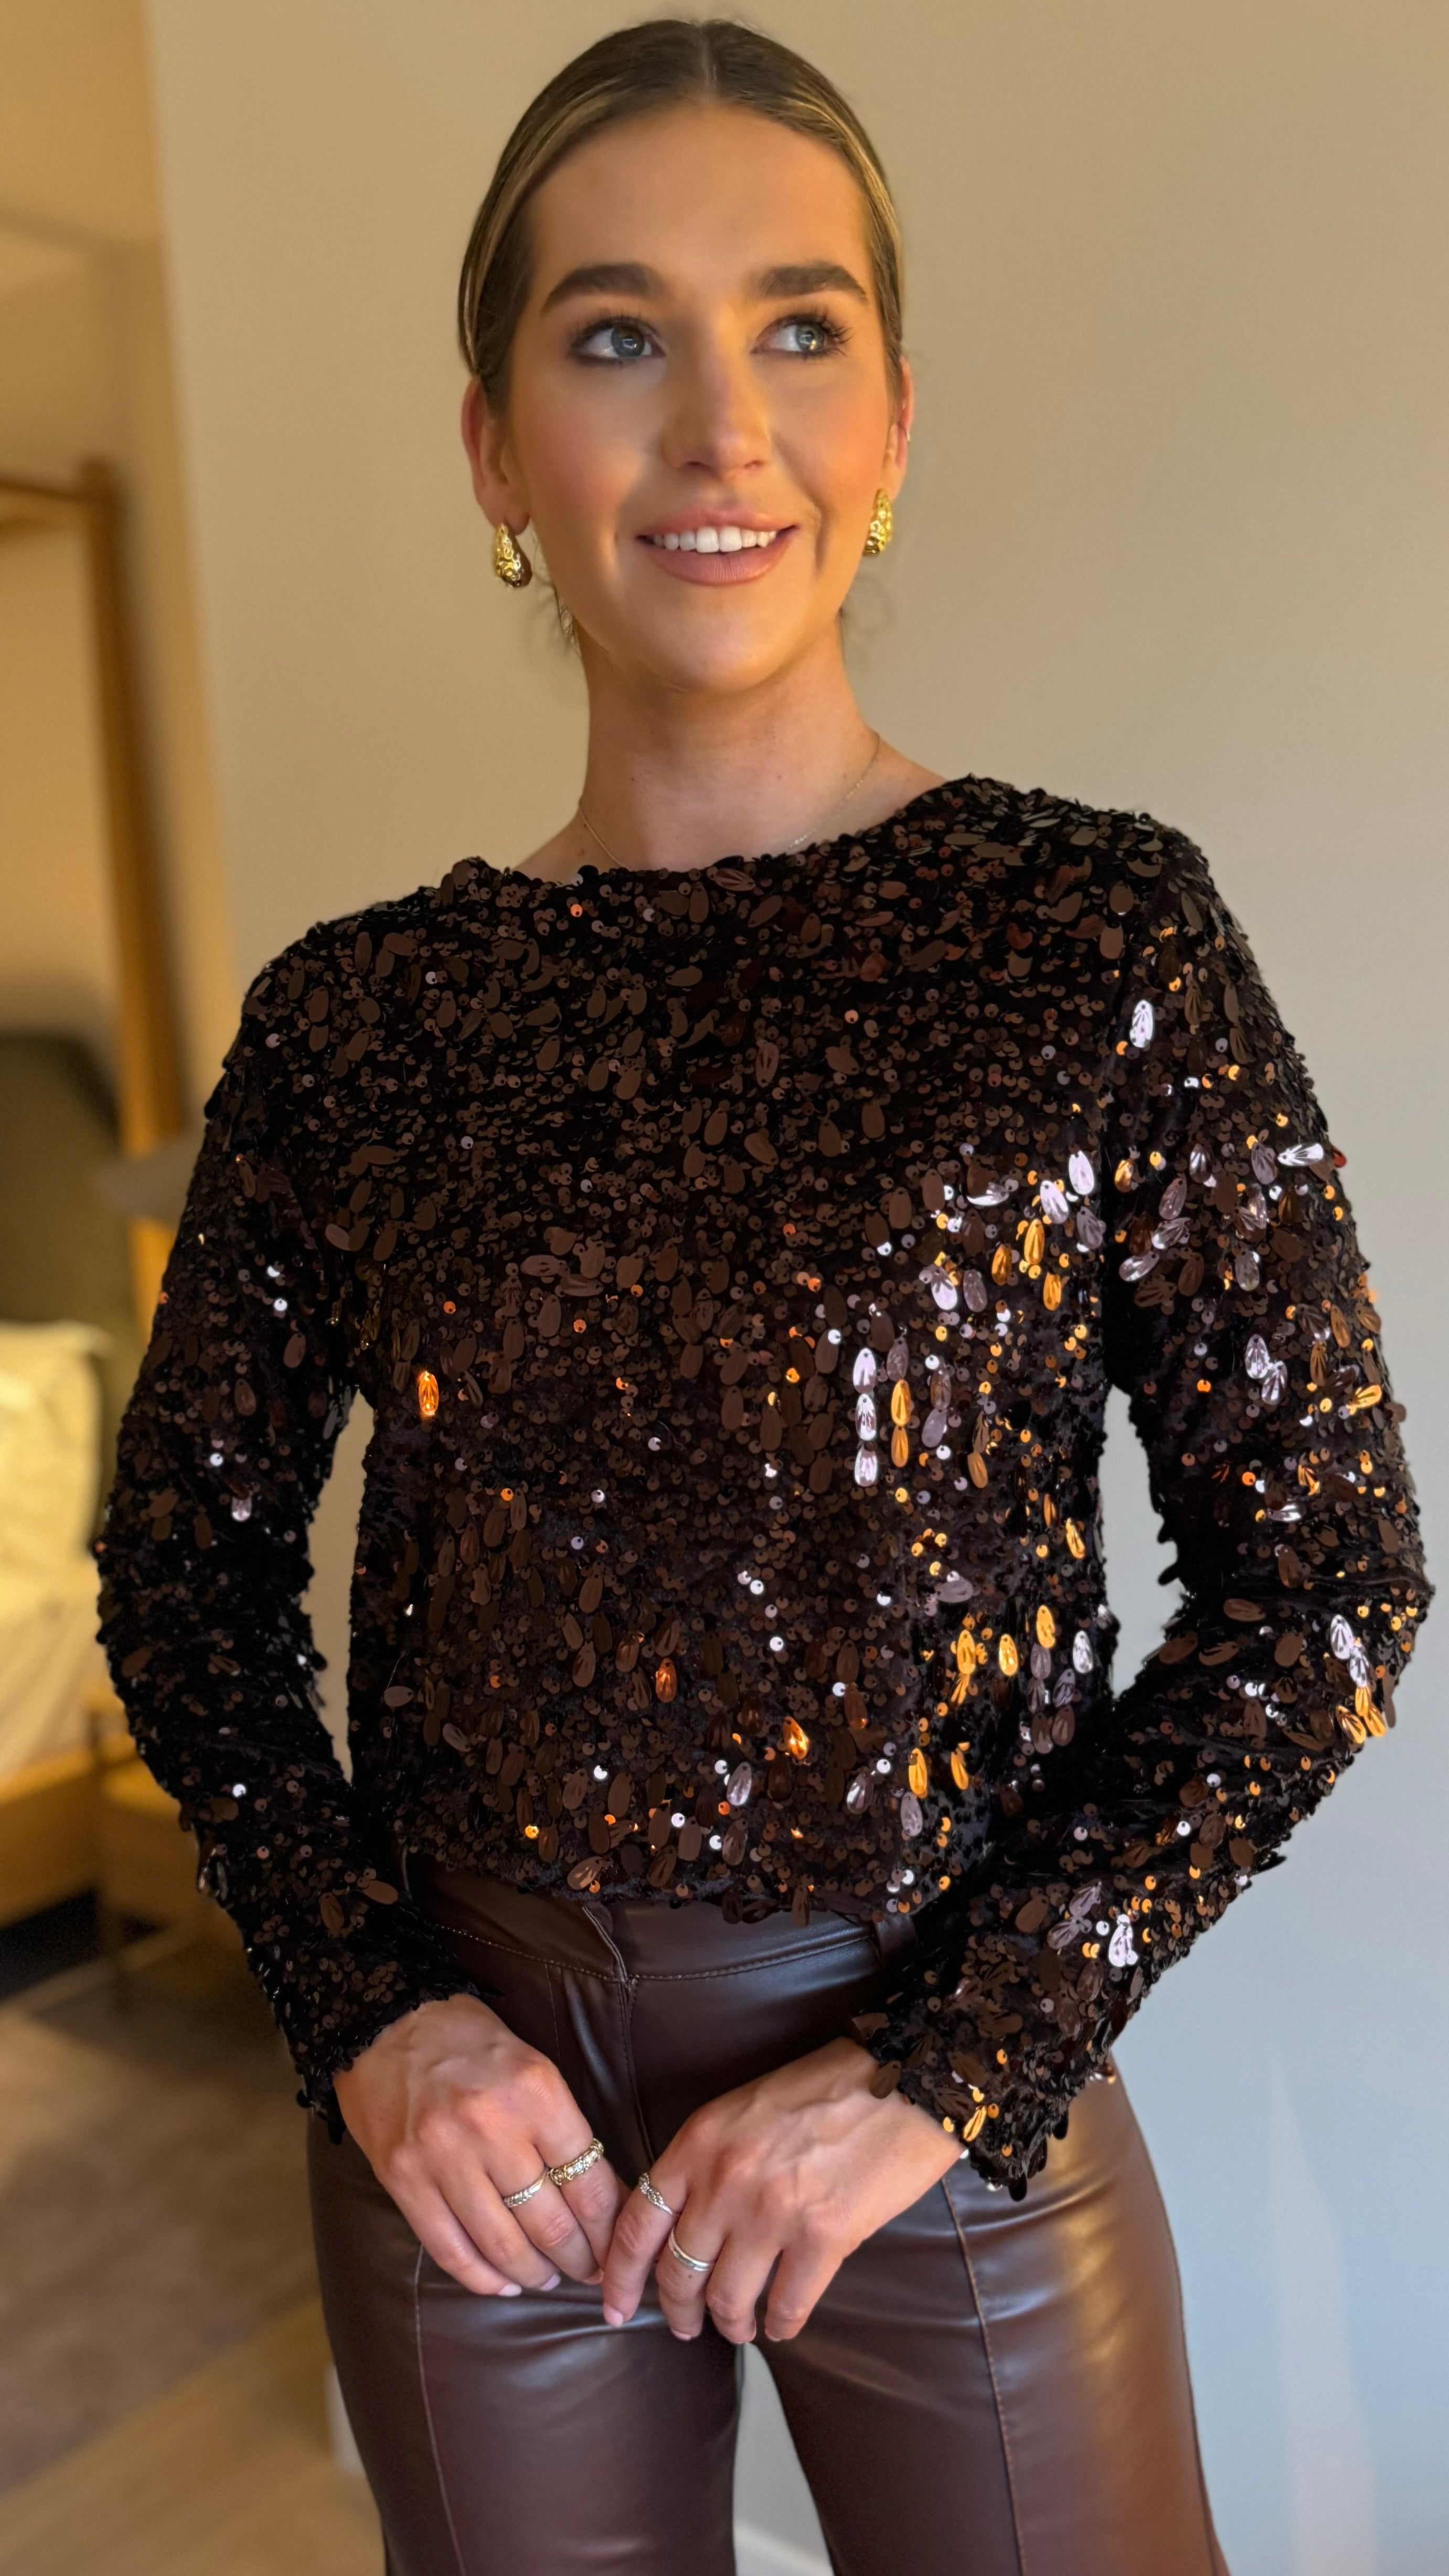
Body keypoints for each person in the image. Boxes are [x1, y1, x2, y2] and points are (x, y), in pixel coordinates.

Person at [98, 20, 1430, 2576]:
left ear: (891, 418)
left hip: (935, 2082)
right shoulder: (364, 1022)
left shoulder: (1092, 936)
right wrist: (370, 2014)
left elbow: (1326, 1582)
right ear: (495, 449)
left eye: (796, 328)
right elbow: (183, 1573)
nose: (719, 425)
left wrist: (949, 2056)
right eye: (615, 334)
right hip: (473, 2117)